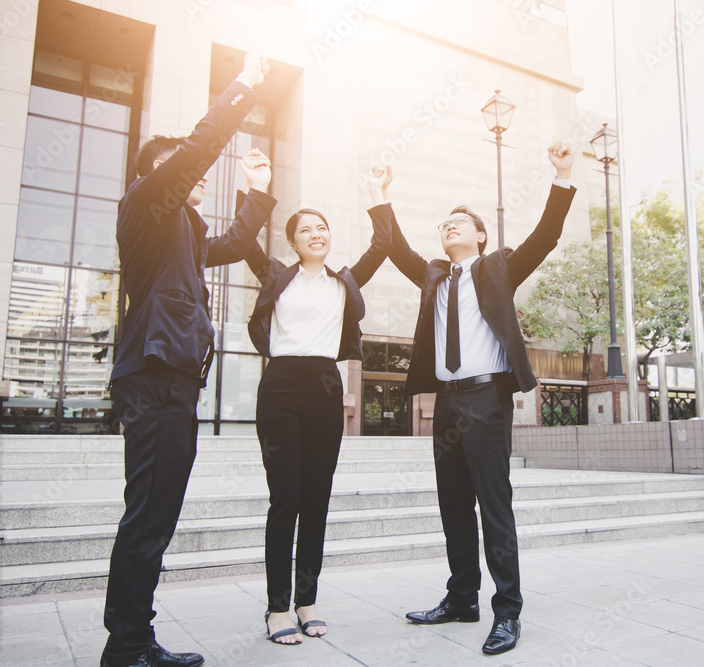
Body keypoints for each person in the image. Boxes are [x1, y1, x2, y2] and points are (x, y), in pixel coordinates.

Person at [367, 141, 575, 655]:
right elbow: (394, 247)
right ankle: (462, 598)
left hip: (486, 400)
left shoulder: (499, 267)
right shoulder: (434, 275)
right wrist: (379, 192)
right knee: (453, 502)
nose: (449, 226)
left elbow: (546, 236)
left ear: (480, 235)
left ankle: (508, 611)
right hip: (447, 403)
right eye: (444, 223)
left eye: (460, 221)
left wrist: (564, 173)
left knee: (493, 503)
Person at [102, 55, 274, 667]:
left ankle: (132, 638)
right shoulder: (147, 208)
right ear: (159, 173)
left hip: (175, 382)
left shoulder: (187, 233)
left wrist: (256, 192)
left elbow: (231, 244)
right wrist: (244, 88)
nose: (199, 176)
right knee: (148, 509)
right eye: (185, 169)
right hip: (152, 378)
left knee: (158, 510)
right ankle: (127, 645)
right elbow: (198, 150)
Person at [242, 170, 391, 645]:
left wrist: (376, 192)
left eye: (322, 227)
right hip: (282, 385)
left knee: (317, 499)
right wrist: (256, 186)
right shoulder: (275, 275)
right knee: (285, 497)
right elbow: (243, 237)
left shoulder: (343, 282)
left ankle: (307, 601)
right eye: (306, 229)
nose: (316, 234)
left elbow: (383, 243)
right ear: (292, 241)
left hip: (326, 384)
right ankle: (276, 608)